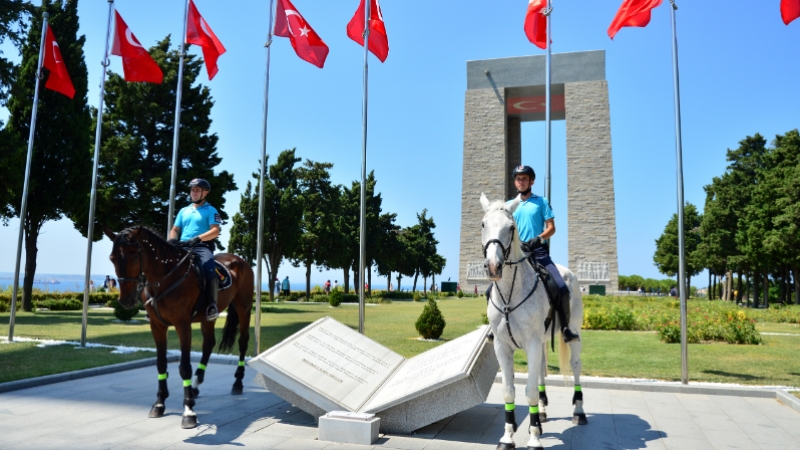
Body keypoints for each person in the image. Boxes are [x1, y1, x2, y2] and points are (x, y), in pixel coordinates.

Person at [508, 165, 579, 342]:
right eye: (518, 178)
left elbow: (551, 228)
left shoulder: (541, 202)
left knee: (561, 287)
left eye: (525, 178)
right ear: (515, 182)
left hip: (538, 251)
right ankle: (496, 327)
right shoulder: (509, 206)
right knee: (490, 290)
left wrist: (538, 239)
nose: (521, 181)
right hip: (517, 254)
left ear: (532, 181)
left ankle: (565, 328)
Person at [168, 178, 222, 321]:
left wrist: (198, 238)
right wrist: (172, 240)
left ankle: (211, 305)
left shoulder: (211, 210)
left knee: (209, 267)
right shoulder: (183, 211)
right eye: (193, 190)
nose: (194, 193)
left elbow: (215, 231)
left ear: (206, 192)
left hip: (201, 246)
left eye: (198, 190)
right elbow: (174, 229)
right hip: (182, 246)